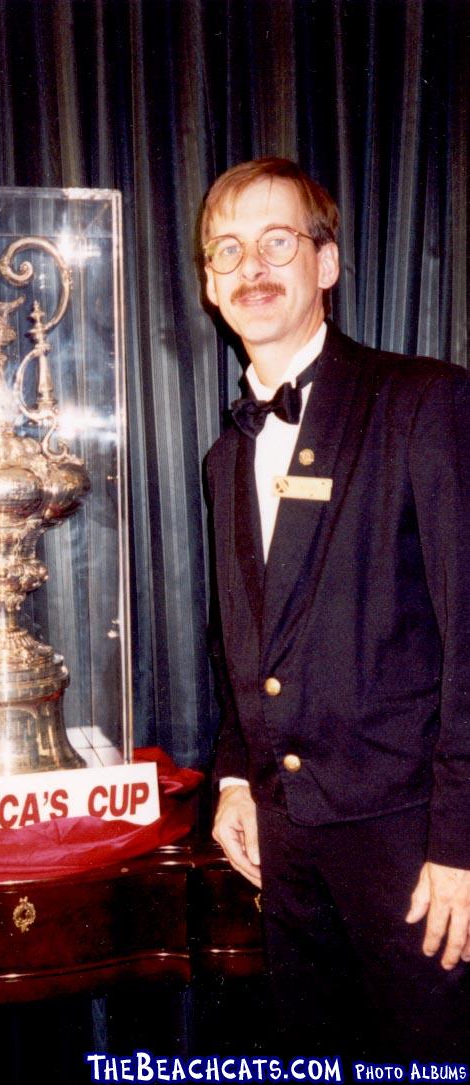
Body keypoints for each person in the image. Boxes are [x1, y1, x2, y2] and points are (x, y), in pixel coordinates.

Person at [201, 157, 470, 1060]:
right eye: (227, 251)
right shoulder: (222, 456)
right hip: (284, 843)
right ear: (208, 285)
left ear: (326, 263)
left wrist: (463, 846)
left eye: (277, 241)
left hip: (413, 846)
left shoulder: (423, 402)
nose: (252, 268)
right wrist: (236, 776)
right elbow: (237, 632)